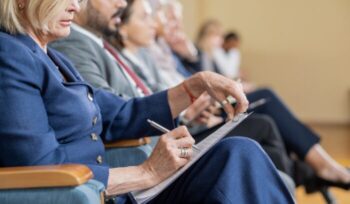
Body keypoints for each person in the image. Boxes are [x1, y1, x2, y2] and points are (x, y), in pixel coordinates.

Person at [0, 0, 294, 203]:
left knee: (237, 152)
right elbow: (39, 166)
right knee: (237, 156)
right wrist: (146, 172)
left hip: (113, 191)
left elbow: (115, 113)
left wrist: (195, 85)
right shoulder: (10, 54)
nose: (76, 7)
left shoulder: (52, 56)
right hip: (93, 194)